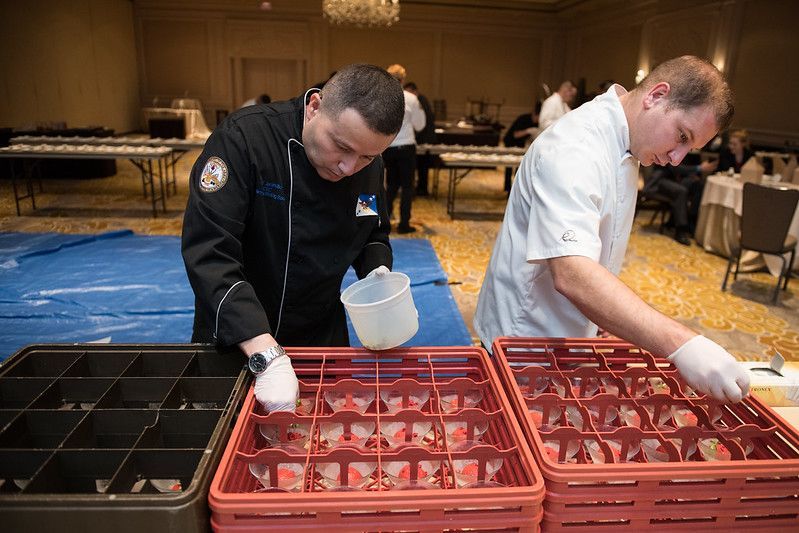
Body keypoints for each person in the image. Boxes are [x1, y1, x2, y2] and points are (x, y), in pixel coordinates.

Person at [475, 55, 750, 403]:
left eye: (689, 148)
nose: (677, 158)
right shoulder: (574, 146)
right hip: (524, 335)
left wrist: (605, 314)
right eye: (682, 136)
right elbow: (573, 274)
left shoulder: (629, 140)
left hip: (570, 332)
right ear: (656, 96)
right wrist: (682, 343)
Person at [182, 64, 405, 413]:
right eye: (341, 147)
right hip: (239, 330)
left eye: (366, 156)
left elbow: (373, 229)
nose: (349, 167)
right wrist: (266, 354)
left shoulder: (369, 165)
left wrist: (378, 273)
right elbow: (210, 251)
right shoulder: (245, 140)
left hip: (320, 333)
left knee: (324, 444)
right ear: (315, 106)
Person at [384, 64, 426, 233]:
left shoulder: (383, 97)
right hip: (406, 146)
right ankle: (404, 224)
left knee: (391, 185)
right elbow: (420, 124)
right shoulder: (411, 98)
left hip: (387, 146)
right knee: (407, 187)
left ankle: (384, 223)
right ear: (403, 79)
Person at [643, 160, 715, 244]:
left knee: (697, 186)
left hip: (675, 178)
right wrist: (699, 168)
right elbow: (675, 168)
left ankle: (690, 221)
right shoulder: (668, 147)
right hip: (660, 180)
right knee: (681, 191)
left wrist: (693, 175)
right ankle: (681, 230)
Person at [403, 81, 436, 196]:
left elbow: (421, 124)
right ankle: (421, 188)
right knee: (421, 167)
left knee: (423, 166)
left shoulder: (420, 100)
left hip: (424, 138)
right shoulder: (417, 100)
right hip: (419, 138)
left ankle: (422, 189)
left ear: (414, 91)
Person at [502, 102, 541, 192]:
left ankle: (515, 189)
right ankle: (507, 189)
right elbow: (516, 135)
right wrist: (528, 131)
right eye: (538, 117)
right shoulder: (523, 119)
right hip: (510, 141)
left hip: (520, 144)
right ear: (535, 114)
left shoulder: (536, 123)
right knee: (509, 167)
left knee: (519, 166)